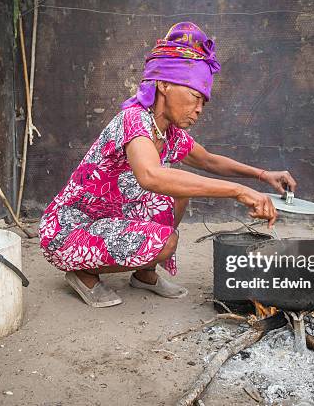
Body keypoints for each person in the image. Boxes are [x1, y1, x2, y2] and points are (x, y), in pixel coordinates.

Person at [38, 22, 296, 307]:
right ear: (163, 83)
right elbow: (151, 176)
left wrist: (261, 175)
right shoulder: (133, 120)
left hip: (108, 218)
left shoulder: (169, 134)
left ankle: (144, 273)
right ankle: (82, 272)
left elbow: (208, 160)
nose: (199, 108)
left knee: (179, 191)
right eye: (195, 97)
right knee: (165, 241)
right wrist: (238, 191)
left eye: (204, 102)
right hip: (69, 230)